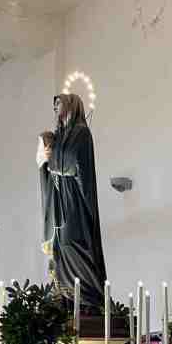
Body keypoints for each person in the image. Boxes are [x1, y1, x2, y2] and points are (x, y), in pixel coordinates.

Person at [39, 93, 107, 309]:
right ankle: (68, 299)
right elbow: (50, 164)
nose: (55, 108)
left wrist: (52, 160)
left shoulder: (81, 133)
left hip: (75, 199)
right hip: (60, 198)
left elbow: (74, 163)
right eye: (54, 105)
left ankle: (90, 298)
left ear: (71, 105)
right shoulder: (59, 135)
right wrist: (45, 158)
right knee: (59, 247)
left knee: (73, 243)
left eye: (58, 103)